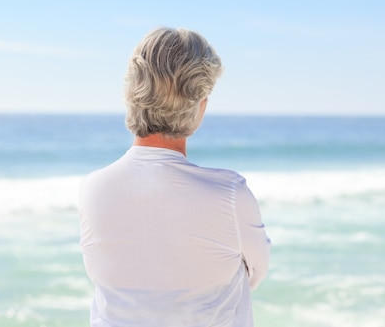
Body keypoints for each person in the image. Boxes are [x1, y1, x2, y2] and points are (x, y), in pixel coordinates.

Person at [78, 27, 271, 327]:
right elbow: (256, 274)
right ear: (199, 108)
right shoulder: (230, 194)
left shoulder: (92, 189)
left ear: (131, 96)